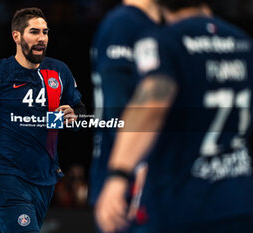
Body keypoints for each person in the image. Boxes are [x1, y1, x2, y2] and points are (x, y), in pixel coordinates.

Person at [96, 0, 253, 233]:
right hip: (239, 198)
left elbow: (151, 106)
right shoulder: (242, 41)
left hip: (183, 202)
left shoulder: (163, 41)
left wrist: (119, 174)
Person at [0, 7, 85, 233]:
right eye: (34, 32)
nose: (42, 38)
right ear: (16, 36)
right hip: (6, 176)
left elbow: (79, 112)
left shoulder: (59, 71)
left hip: (45, 178)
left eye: (45, 32)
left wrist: (74, 116)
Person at [89, 0, 160, 232]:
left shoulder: (146, 22)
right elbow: (117, 106)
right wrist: (136, 165)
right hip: (128, 182)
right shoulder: (124, 23)